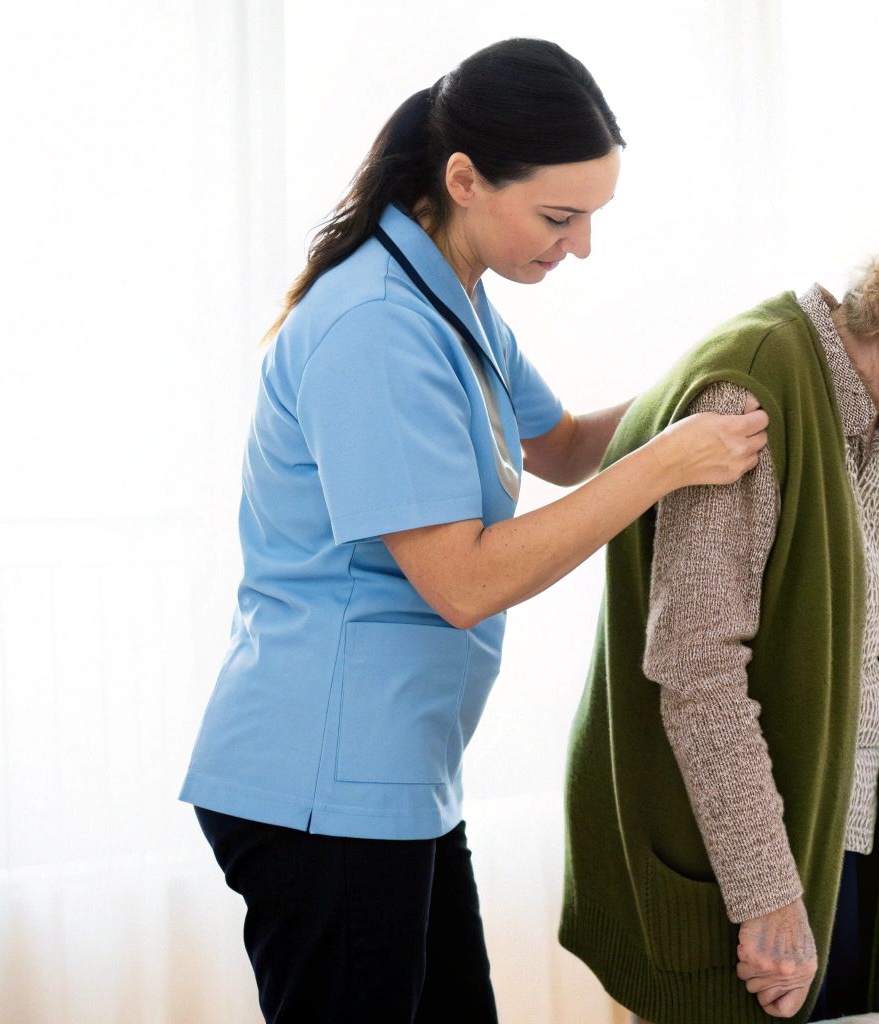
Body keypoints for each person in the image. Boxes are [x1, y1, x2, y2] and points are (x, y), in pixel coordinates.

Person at [178, 38, 767, 1023]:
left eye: (590, 218)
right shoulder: (373, 323)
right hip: (321, 790)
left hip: (397, 780)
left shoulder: (452, 299)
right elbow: (463, 582)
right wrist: (667, 463)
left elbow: (567, 443)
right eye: (557, 216)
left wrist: (717, 379)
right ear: (463, 179)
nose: (578, 246)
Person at [560, 204, 879, 1024]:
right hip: (760, 871)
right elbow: (697, 668)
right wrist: (768, 898)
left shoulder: (862, 414)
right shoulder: (755, 390)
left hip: (830, 844)